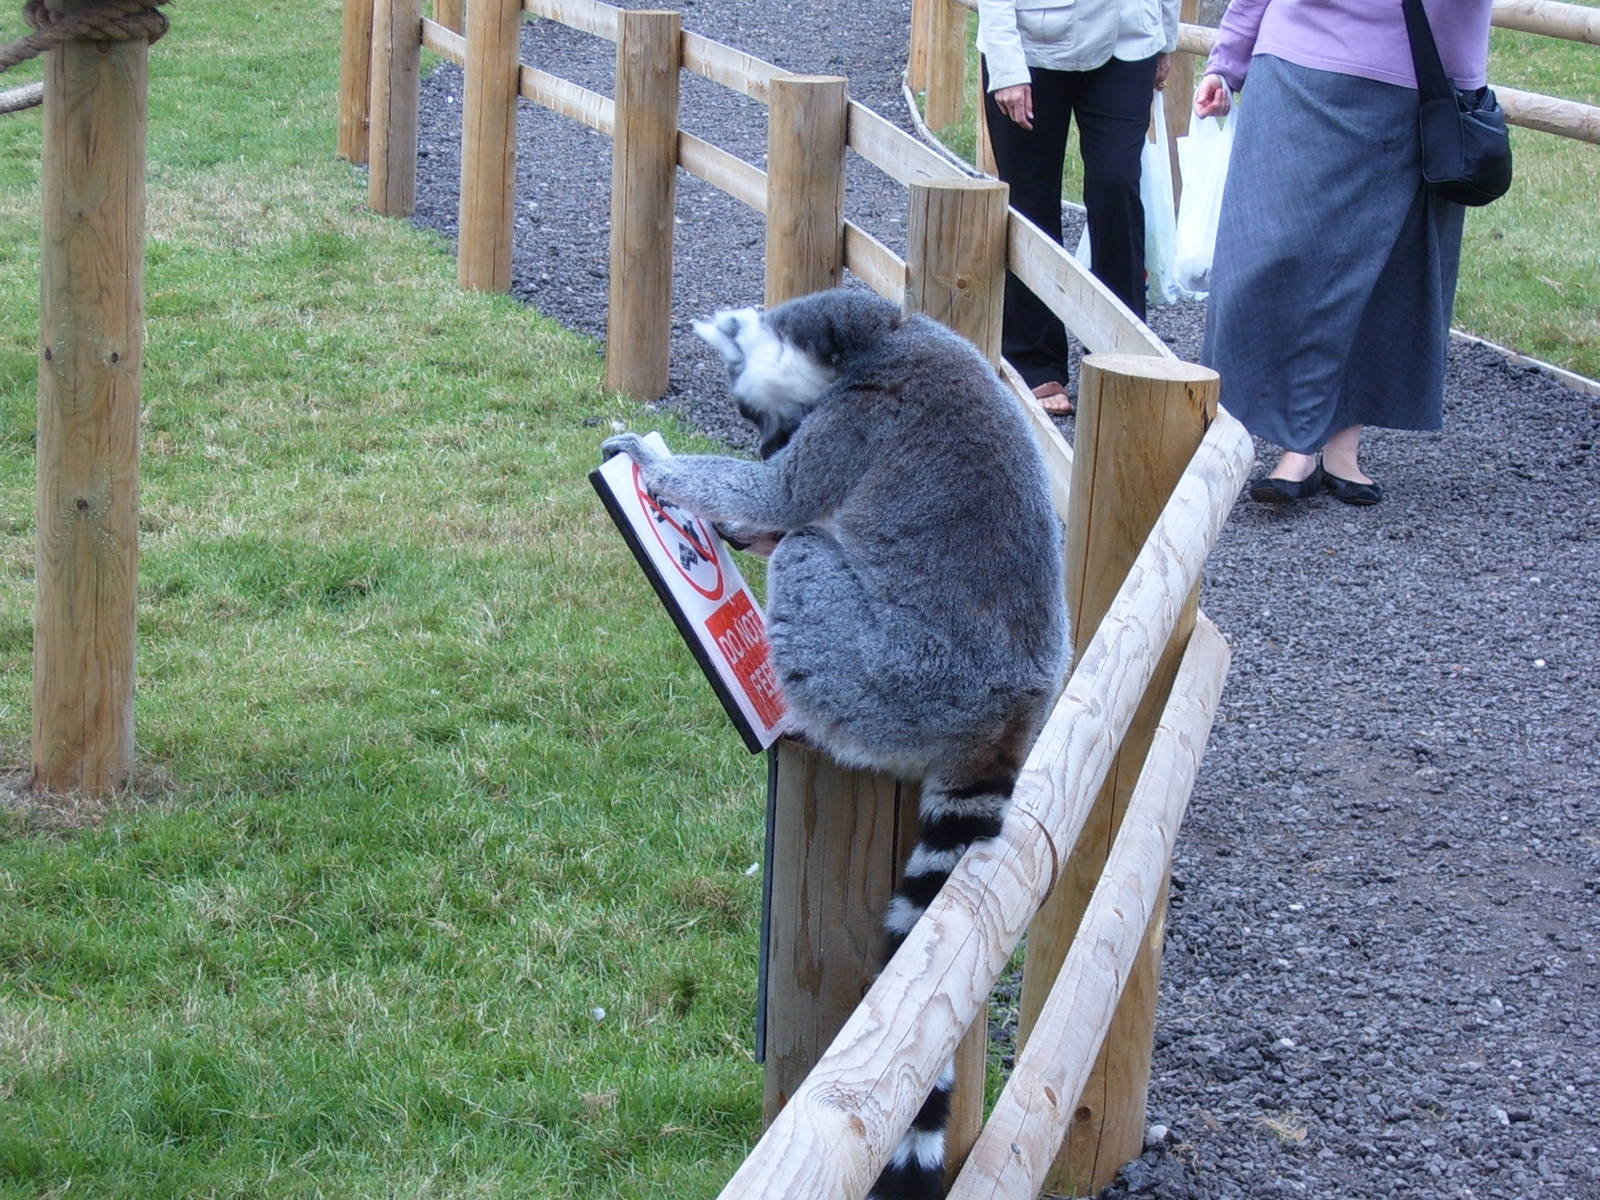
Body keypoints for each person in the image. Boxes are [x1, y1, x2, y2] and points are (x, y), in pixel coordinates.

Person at [1195, 0, 1496, 506]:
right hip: (1298, 64)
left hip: (1423, 82)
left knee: (1384, 268)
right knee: (1273, 259)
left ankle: (1338, 447)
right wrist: (1226, 63)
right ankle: (1295, 441)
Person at [978, 0, 1181, 415]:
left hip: (1129, 38)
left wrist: (1164, 35)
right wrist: (1006, 65)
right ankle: (1034, 358)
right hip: (1034, 43)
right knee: (1030, 199)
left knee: (1117, 186)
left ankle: (1122, 351)